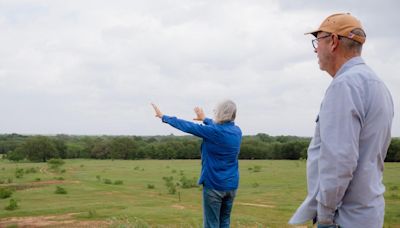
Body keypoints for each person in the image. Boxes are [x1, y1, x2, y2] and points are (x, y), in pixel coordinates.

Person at [289, 13, 394, 228]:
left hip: (344, 218)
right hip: (368, 213)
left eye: (317, 41)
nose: (316, 49)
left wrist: (326, 216)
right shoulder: (378, 85)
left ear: (334, 42)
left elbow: (339, 160)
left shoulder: (344, 86)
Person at [151, 100, 242, 228]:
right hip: (232, 186)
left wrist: (163, 117)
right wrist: (205, 119)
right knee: (224, 222)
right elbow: (217, 126)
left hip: (214, 185)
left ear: (220, 113)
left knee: (211, 224)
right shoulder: (237, 131)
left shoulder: (213, 132)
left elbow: (188, 126)